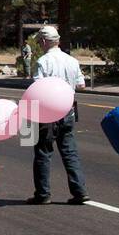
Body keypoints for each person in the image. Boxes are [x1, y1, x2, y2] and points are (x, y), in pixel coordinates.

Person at [27, 23, 88, 205]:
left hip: (48, 112)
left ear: (44, 41)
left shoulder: (43, 62)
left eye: (40, 42)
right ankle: (79, 191)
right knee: (69, 151)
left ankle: (43, 193)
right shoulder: (72, 61)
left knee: (43, 152)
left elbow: (38, 87)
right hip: (68, 110)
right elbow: (81, 85)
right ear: (58, 41)